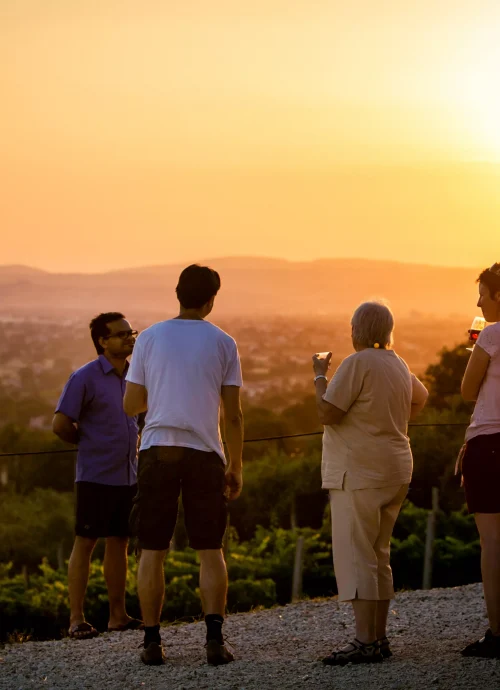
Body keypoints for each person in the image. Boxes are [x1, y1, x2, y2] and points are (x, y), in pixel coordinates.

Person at [123, 264, 244, 666]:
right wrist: (237, 466)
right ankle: (213, 640)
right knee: (210, 549)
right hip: (205, 452)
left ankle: (152, 643)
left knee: (152, 550)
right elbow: (234, 415)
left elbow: (131, 405)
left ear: (177, 294)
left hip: (157, 448)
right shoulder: (224, 342)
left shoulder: (150, 338)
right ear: (211, 300)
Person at [312, 300, 428, 665]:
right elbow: (421, 398)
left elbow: (327, 412)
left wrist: (319, 375)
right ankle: (378, 637)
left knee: (357, 555)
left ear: (357, 330)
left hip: (359, 471)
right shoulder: (398, 363)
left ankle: (364, 641)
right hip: (395, 467)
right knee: (379, 555)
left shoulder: (356, 362)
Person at [52, 313, 142, 639]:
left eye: (131, 332)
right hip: (94, 475)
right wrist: (87, 442)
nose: (129, 338)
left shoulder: (134, 375)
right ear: (102, 341)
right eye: (121, 334)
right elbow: (60, 424)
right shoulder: (84, 377)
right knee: (86, 543)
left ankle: (118, 616)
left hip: (127, 475)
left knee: (119, 542)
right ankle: (76, 619)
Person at [460, 262, 500, 658]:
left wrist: (475, 349)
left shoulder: (490, 335)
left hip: (489, 446)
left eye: (484, 294)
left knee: (492, 542)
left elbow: (467, 391)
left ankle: (498, 633)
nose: (478, 301)